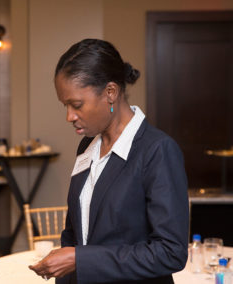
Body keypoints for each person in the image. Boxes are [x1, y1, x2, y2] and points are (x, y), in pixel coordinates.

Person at [29, 39, 189, 283]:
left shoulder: (157, 151)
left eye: (76, 105)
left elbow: (170, 253)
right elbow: (74, 234)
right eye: (65, 106)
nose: (69, 116)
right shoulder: (87, 146)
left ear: (110, 93)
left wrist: (79, 259)